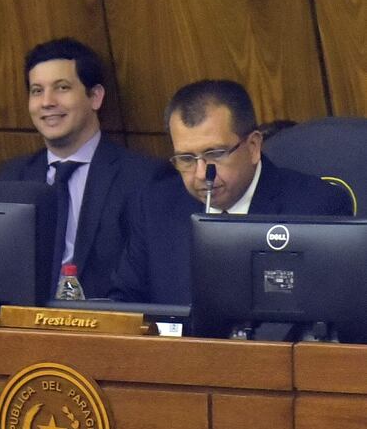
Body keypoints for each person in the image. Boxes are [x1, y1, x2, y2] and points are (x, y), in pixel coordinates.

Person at [110, 79, 351, 305]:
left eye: (214, 154)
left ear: (254, 146)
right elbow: (125, 305)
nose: (201, 173)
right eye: (186, 159)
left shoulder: (317, 207)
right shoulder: (154, 206)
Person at [0, 38, 159, 298]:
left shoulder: (143, 179)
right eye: (37, 91)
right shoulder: (12, 178)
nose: (47, 102)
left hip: (106, 330)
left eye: (61, 87)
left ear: (95, 97)